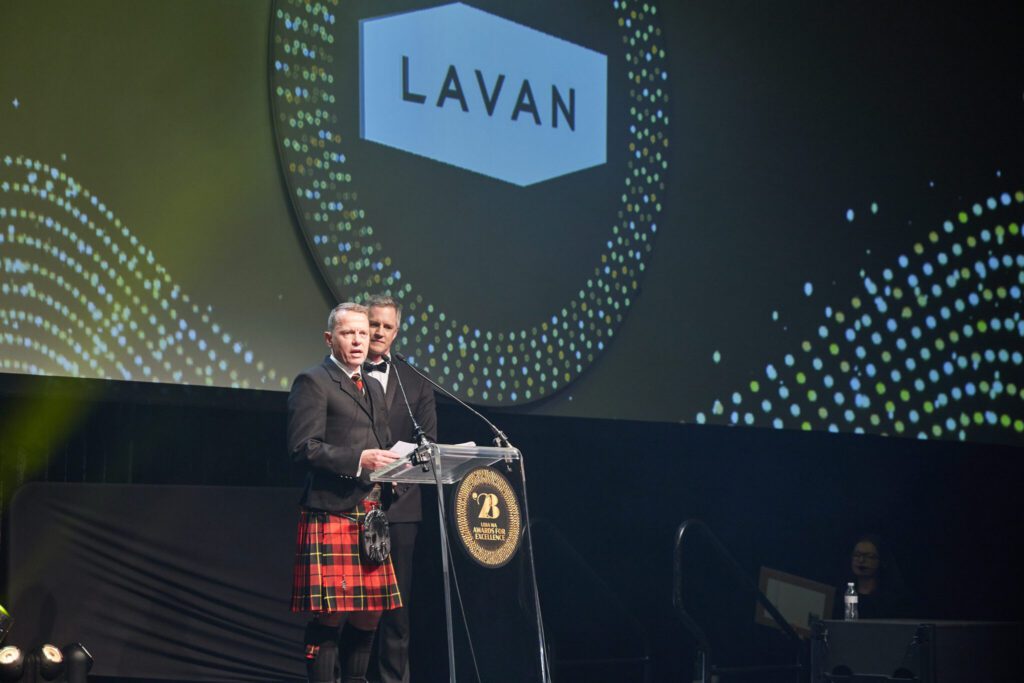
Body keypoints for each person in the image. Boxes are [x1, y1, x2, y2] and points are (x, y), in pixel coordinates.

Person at [288, 302, 403, 683]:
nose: (358, 341)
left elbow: (382, 442)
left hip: (371, 514)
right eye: (348, 333)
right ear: (329, 338)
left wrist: (395, 471)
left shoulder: (373, 386)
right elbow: (302, 448)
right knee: (332, 611)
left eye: (363, 333)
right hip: (332, 509)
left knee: (371, 611)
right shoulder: (313, 381)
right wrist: (358, 459)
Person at [364, 294, 437, 683]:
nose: (378, 332)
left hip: (401, 509)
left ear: (396, 332)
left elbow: (429, 448)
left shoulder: (416, 381)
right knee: (348, 608)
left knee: (396, 611)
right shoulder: (344, 371)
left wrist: (400, 471)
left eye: (386, 326)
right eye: (373, 323)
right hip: (351, 504)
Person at [838, 533, 911, 619]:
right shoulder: (840, 595)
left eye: (869, 556)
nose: (861, 560)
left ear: (881, 560)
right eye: (857, 555)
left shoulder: (895, 599)